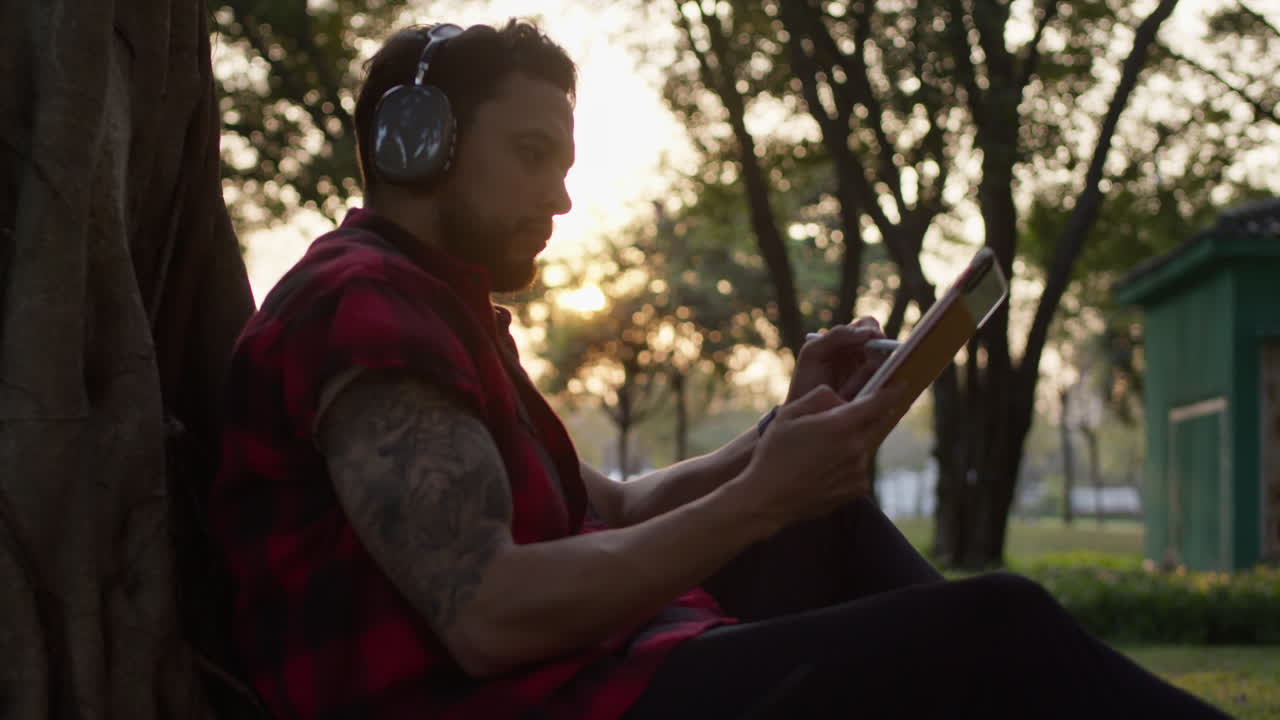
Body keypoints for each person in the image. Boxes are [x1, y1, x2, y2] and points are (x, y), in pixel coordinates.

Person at [209, 19, 1229, 720]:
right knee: (996, 629)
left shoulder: (438, 300)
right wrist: (754, 502)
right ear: (413, 144)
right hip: (510, 702)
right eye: (530, 154)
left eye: (565, 166)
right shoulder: (360, 307)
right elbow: (487, 613)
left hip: (585, 674)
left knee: (824, 521)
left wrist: (776, 442)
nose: (561, 200)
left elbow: (600, 506)